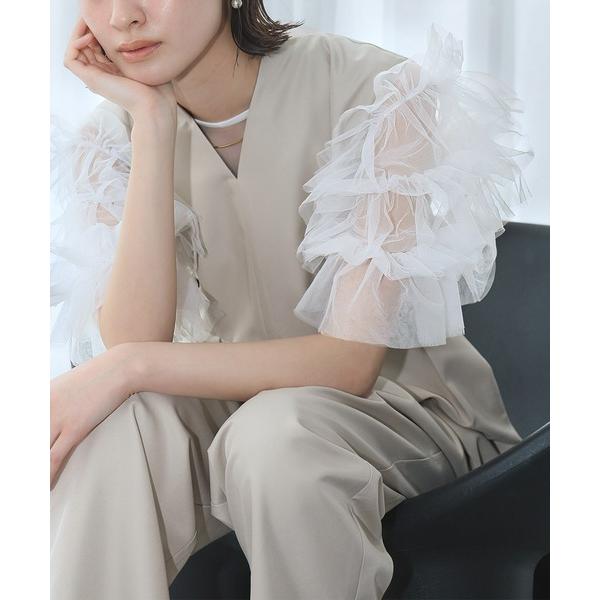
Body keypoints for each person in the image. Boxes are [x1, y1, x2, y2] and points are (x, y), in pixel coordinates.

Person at [50, 1, 534, 599]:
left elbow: (348, 364)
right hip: (235, 409)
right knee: (113, 428)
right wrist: (152, 123)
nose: (123, 16)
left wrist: (126, 366)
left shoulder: (376, 90)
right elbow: (136, 336)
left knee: (273, 437)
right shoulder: (110, 137)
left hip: (403, 415)